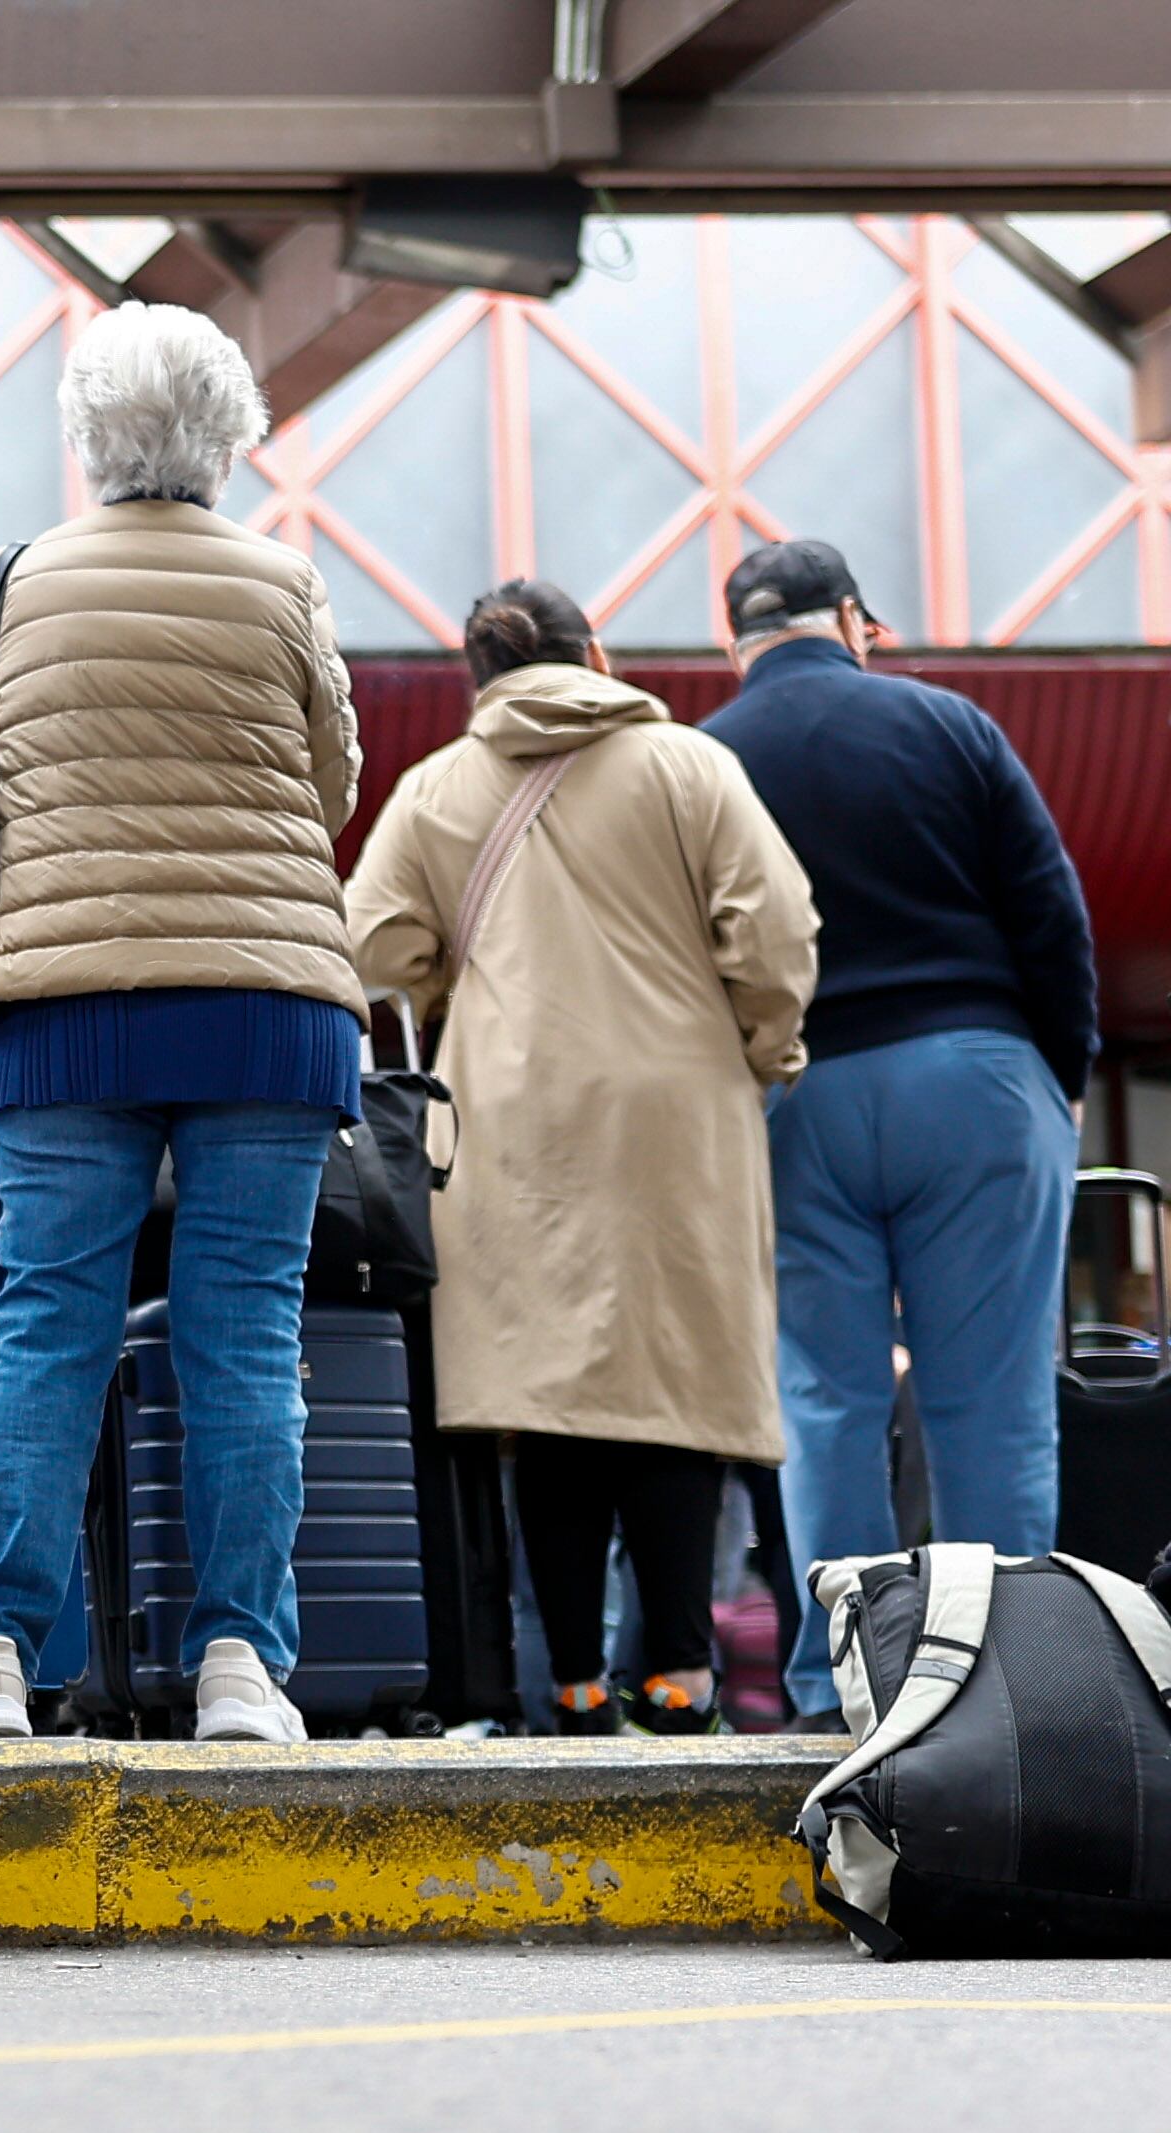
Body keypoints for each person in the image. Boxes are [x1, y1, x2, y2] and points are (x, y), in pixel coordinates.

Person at [0, 302, 363, 1751]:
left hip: (67, 1013)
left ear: (90, 437)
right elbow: (334, 783)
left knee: (46, 1330)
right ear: (230, 438)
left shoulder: (20, 580)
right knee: (242, 1341)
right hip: (265, 1009)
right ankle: (240, 1668)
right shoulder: (283, 583)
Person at [346, 580, 820, 1735]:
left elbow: (370, 937)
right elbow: (775, 924)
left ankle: (568, 1678)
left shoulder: (439, 788)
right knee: (672, 1382)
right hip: (678, 1109)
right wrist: (765, 1049)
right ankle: (678, 1673)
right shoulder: (688, 767)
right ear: (595, 653)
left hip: (508, 1115)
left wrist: (458, 975)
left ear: (480, 679)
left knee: (541, 1394)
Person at [700, 540, 1096, 1730]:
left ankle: (841, 1692)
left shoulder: (706, 760)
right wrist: (1056, 1078)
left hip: (794, 1093)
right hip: (974, 1083)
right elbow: (1051, 913)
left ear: (737, 643)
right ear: (857, 621)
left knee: (822, 1403)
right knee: (993, 1404)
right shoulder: (951, 726)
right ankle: (999, 1689)